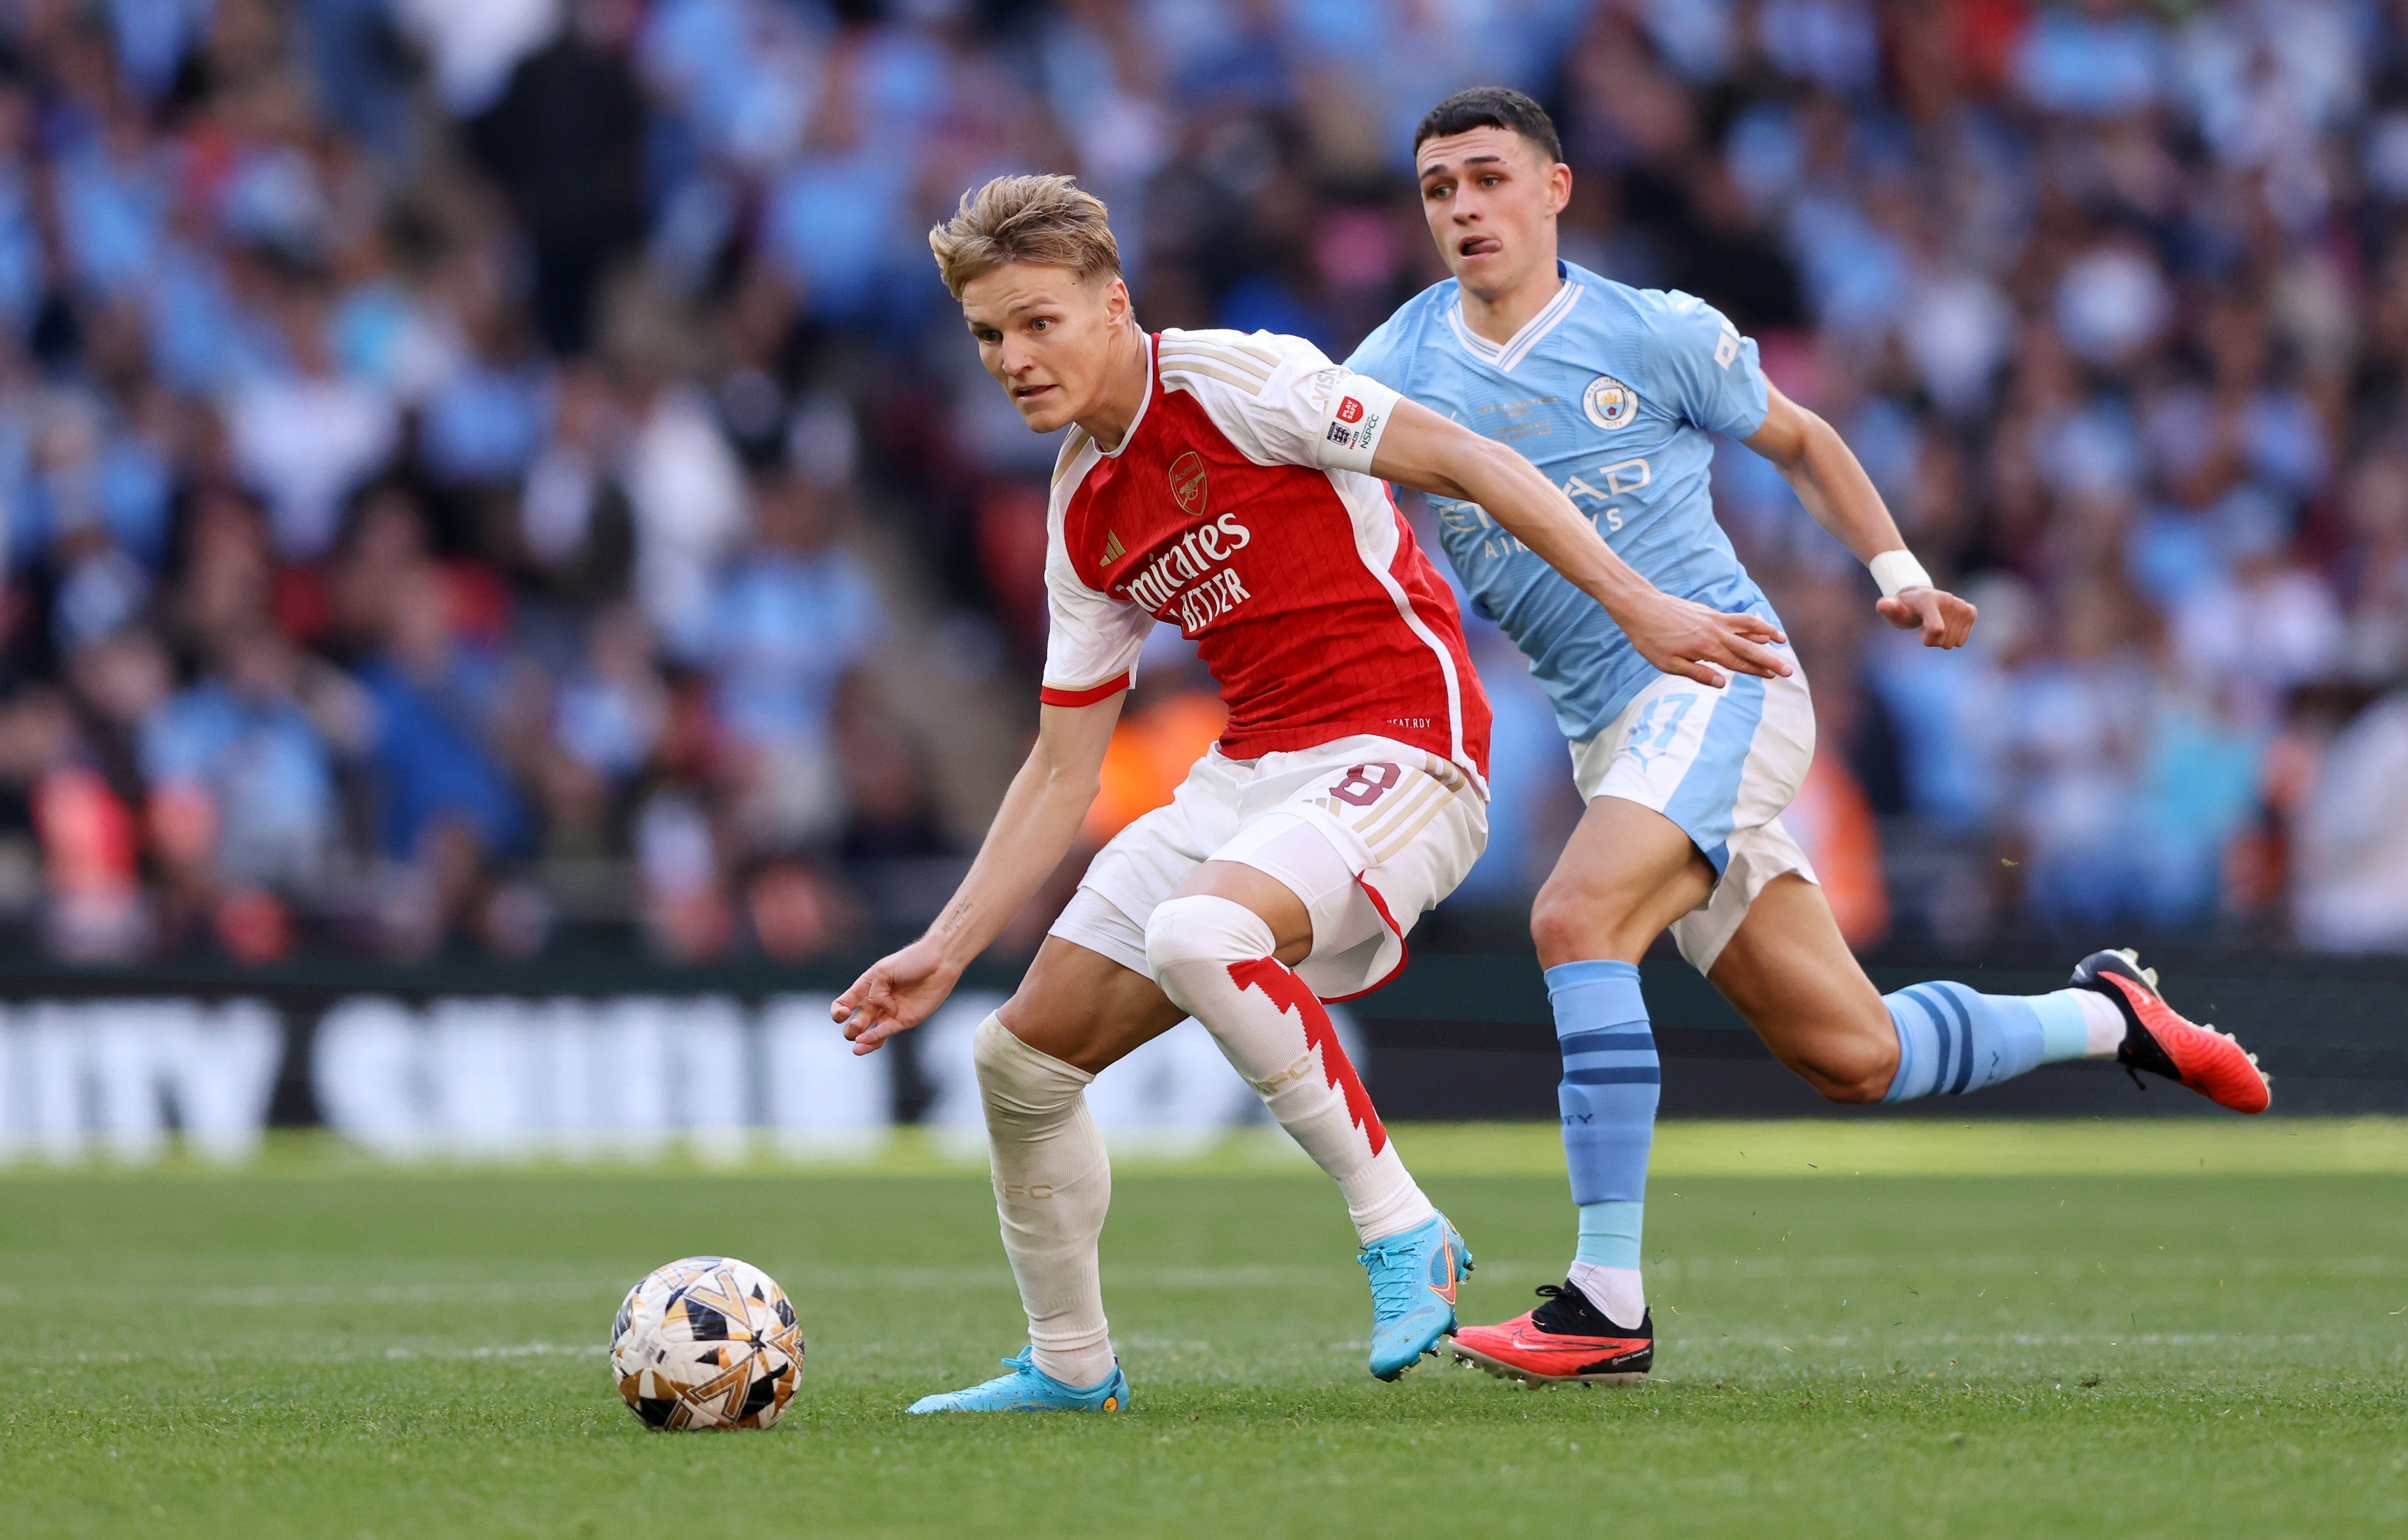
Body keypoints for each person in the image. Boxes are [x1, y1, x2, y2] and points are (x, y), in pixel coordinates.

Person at [1344, 88, 2272, 1387]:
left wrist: (1895, 566)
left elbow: (1800, 436)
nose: (1462, 208)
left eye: (1488, 178)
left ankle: (1607, 1299)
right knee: (1857, 1054)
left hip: (1726, 682)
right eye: (1439, 189)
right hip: (1614, 740)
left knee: (1573, 917)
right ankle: (2107, 1013)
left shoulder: (1653, 332)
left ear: (1554, 190)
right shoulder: (1394, 366)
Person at [833, 173, 1786, 1414]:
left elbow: (1466, 455)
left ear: (1115, 306)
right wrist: (947, 946)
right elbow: (1063, 764)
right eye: (988, 337)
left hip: (1408, 746)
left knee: (1199, 932)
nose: (1012, 358)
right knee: (1016, 1061)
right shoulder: (1082, 506)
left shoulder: (1236, 379)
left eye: (1037, 322)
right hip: (1253, 776)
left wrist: (1639, 602)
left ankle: (1405, 1231)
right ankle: (1071, 1363)